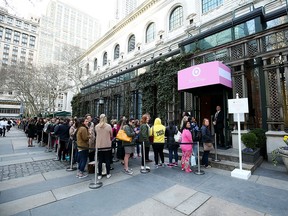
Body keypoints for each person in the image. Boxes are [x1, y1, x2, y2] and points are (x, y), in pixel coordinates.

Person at [95, 114, 113, 179]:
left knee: (100, 160)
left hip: (99, 145)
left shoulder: (96, 126)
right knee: (107, 160)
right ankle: (108, 173)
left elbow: (96, 134)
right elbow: (111, 135)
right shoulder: (109, 126)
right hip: (107, 145)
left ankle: (100, 174)